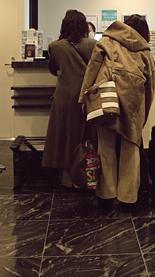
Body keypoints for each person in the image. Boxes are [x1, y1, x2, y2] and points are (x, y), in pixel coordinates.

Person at [79, 14, 155, 206]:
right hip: (133, 101)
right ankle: (128, 197)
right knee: (131, 145)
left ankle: (106, 194)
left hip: (106, 99)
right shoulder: (144, 50)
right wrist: (144, 111)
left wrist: (83, 98)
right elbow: (150, 86)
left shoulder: (107, 41)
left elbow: (91, 70)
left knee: (106, 145)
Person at [42, 10, 97, 187]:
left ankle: (66, 177)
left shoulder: (56, 46)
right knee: (84, 135)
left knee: (63, 136)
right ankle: (84, 175)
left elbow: (53, 69)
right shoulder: (93, 45)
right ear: (84, 25)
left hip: (64, 96)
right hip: (87, 97)